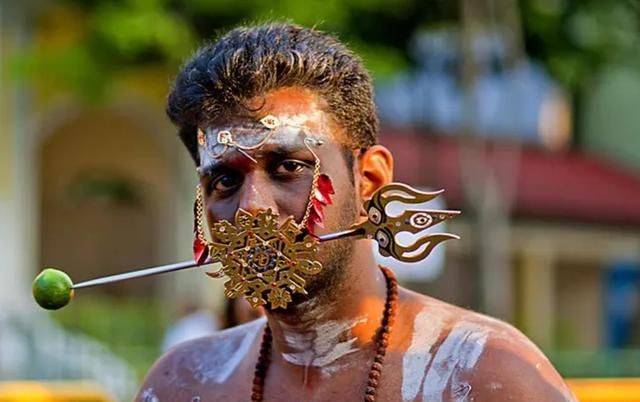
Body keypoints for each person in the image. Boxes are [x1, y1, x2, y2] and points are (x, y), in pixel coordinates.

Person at [136, 23, 576, 402]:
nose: (253, 208)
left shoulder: (487, 377)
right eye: (225, 181)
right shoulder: (182, 385)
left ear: (370, 180)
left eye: (288, 167)